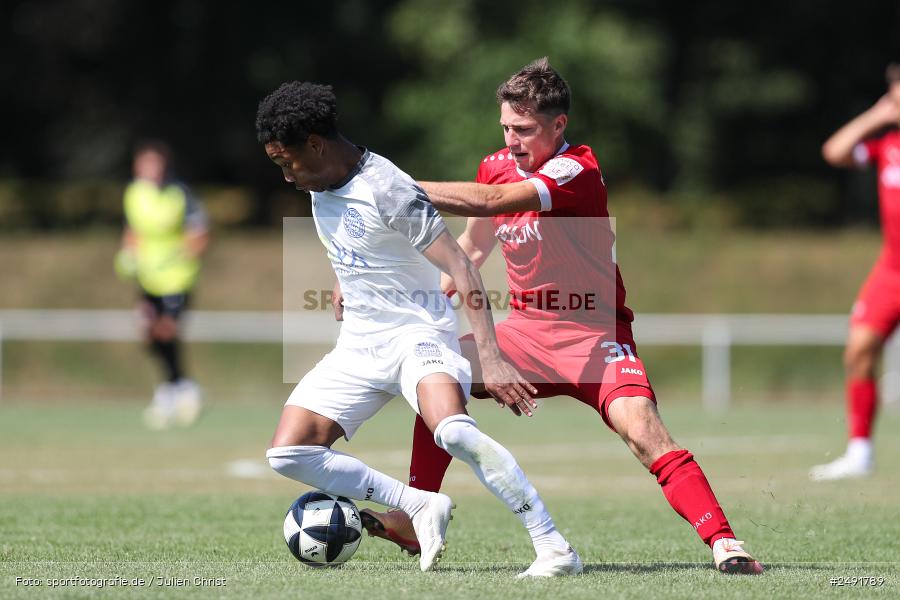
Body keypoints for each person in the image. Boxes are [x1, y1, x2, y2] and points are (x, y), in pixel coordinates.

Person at [357, 58, 763, 575]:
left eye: (525, 130)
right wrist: (404, 302)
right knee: (437, 374)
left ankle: (725, 542)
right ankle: (415, 514)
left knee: (643, 432)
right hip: (526, 332)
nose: (513, 140)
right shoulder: (496, 163)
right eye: (506, 127)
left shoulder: (578, 169)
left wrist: (393, 184)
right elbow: (471, 252)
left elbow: (493, 201)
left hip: (595, 335)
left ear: (558, 125)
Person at [257, 81, 582, 577]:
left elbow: (461, 263)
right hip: (360, 347)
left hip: (418, 339)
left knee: (453, 431)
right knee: (289, 453)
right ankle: (418, 504)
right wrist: (345, 281)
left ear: (316, 145)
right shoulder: (322, 181)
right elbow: (361, 244)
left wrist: (491, 359)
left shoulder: (387, 187)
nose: (285, 175)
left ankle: (553, 546)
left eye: (287, 162)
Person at [811, 63, 900, 481]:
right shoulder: (887, 145)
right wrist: (878, 115)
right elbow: (835, 151)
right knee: (859, 351)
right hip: (891, 269)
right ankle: (860, 452)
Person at [115, 141, 209, 429]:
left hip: (177, 279)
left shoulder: (179, 194)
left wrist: (181, 254)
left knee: (166, 330)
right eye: (146, 164)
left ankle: (176, 389)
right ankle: (178, 386)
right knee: (148, 332)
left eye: (156, 164)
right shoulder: (134, 194)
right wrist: (128, 253)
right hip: (148, 278)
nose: (151, 170)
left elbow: (201, 233)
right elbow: (133, 231)